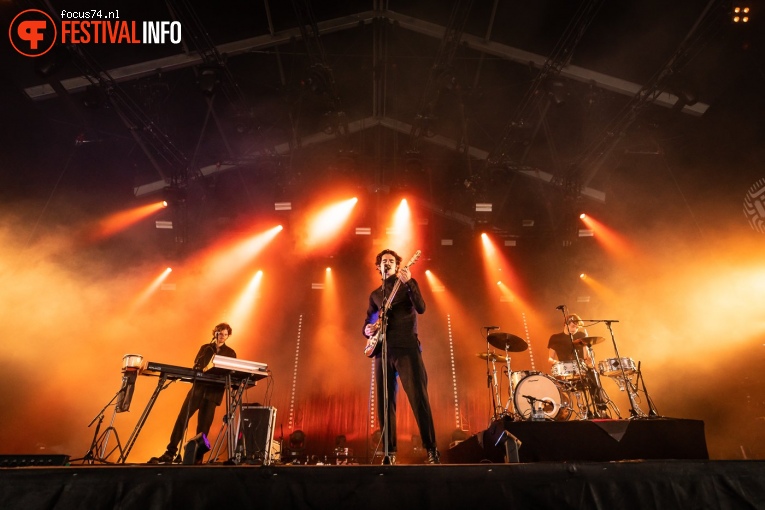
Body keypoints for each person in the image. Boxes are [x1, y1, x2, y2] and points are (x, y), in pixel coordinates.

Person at [363, 249, 440, 465]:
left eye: (391, 261)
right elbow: (368, 321)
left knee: (419, 399)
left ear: (397, 266)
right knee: (385, 403)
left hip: (407, 348)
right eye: (383, 261)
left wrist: (410, 283)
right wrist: (368, 329)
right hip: (382, 351)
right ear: (378, 267)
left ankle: (432, 449)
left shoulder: (406, 285)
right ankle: (389, 452)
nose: (387, 264)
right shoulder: (376, 295)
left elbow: (422, 308)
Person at [150, 322, 236, 464]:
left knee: (203, 428)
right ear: (215, 333)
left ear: (228, 336)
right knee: (182, 419)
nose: (223, 337)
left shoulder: (231, 353)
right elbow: (197, 364)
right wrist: (209, 353)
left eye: (226, 335)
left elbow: (229, 372)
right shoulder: (205, 348)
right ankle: (170, 452)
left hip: (213, 393)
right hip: (198, 389)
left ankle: (197, 458)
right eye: (220, 334)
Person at [547, 314, 608, 417]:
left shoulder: (581, 335)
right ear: (565, 324)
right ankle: (559, 415)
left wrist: (591, 362)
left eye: (576, 327)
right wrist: (556, 362)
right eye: (572, 326)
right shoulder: (555, 338)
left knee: (594, 375)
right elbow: (550, 359)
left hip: (581, 370)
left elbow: (586, 358)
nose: (574, 329)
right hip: (564, 371)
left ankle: (601, 409)